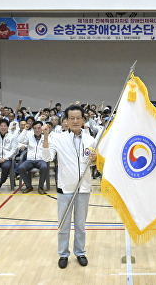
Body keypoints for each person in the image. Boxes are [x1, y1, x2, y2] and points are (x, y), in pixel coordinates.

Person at [42, 105, 97, 269]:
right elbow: (47, 157)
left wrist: (95, 159)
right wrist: (45, 136)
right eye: (71, 118)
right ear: (65, 120)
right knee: (63, 226)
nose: (75, 121)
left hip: (84, 189)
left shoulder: (90, 140)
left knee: (80, 225)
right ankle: (63, 254)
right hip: (65, 189)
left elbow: (94, 163)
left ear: (83, 119)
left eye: (78, 118)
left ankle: (80, 252)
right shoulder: (58, 138)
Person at [17, 121, 49, 194]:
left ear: (42, 129)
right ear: (33, 129)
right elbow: (19, 140)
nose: (37, 130)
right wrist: (25, 130)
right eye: (35, 128)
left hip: (41, 159)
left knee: (44, 167)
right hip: (30, 160)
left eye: (39, 128)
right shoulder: (29, 136)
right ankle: (29, 186)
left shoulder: (46, 137)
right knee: (21, 167)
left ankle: (40, 187)